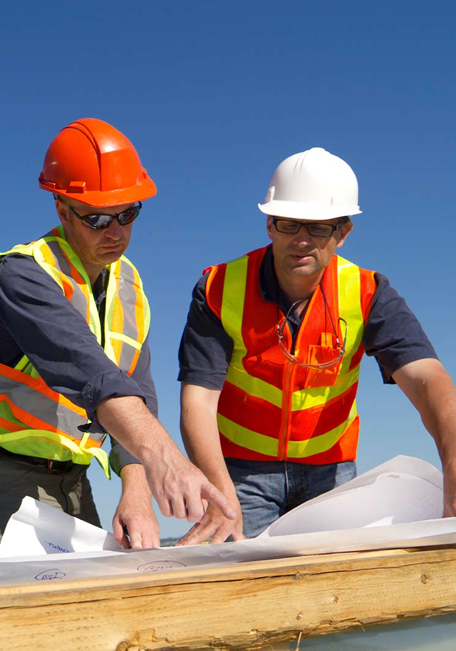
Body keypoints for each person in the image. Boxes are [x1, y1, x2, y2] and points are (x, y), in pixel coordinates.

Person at [0, 118, 234, 565]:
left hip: (72, 477)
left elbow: (137, 391)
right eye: (97, 217)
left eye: (127, 213)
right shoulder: (22, 275)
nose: (115, 231)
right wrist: (167, 460)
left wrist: (136, 488)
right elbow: (94, 376)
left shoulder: (129, 285)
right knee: (18, 627)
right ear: (63, 210)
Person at [177, 147, 456, 544]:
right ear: (269, 224)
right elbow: (198, 402)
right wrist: (221, 496)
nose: (302, 240)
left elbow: (428, 378)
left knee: (340, 592)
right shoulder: (219, 288)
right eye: (290, 223)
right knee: (245, 589)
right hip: (240, 471)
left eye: (320, 227)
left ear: (343, 233)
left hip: (331, 472)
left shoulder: (368, 292)